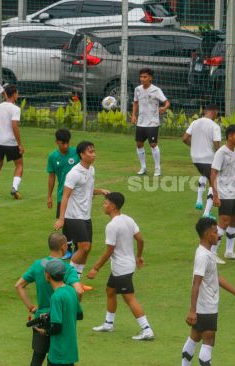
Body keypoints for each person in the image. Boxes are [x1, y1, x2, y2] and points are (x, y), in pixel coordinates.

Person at [180, 217, 235, 366]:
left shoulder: (207, 252)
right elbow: (196, 283)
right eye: (215, 231)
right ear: (206, 235)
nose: (218, 234)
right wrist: (192, 310)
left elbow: (216, 277)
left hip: (203, 306)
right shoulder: (203, 256)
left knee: (194, 337)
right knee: (208, 341)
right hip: (206, 306)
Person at [86, 192, 154, 341]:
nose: (103, 205)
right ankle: (108, 323)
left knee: (129, 298)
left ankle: (147, 329)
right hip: (124, 266)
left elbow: (109, 251)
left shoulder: (112, 226)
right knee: (110, 290)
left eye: (105, 203)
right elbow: (140, 240)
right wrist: (139, 256)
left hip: (121, 268)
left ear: (113, 206)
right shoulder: (128, 219)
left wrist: (95, 268)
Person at [15, 233, 83, 366]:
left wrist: (32, 308)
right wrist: (71, 307)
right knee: (60, 358)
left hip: (41, 318)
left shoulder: (38, 265)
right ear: (63, 247)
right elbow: (79, 290)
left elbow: (19, 286)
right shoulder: (66, 269)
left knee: (37, 358)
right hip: (61, 320)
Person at [54, 141, 109, 291]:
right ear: (81, 155)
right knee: (85, 246)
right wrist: (61, 218)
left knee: (86, 248)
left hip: (86, 216)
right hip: (73, 216)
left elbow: (88, 190)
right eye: (90, 152)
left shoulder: (91, 170)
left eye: (94, 151)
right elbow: (65, 196)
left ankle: (76, 281)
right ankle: (68, 277)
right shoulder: (74, 174)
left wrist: (101, 191)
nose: (94, 154)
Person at [210, 125, 235, 262]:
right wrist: (215, 195)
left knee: (234, 222)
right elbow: (213, 174)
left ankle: (229, 252)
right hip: (224, 193)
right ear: (229, 137)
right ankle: (213, 253)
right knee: (224, 222)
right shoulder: (221, 153)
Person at [33, 260, 82, 366]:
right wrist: (52, 315)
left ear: (47, 275)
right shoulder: (71, 290)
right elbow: (79, 314)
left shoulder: (56, 297)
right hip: (70, 351)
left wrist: (43, 331)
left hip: (58, 353)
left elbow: (56, 327)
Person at [183, 104, 221, 218]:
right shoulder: (214, 126)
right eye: (217, 113)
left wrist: (194, 146)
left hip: (195, 157)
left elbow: (185, 138)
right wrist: (220, 155)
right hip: (208, 158)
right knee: (213, 182)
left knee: (204, 174)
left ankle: (199, 201)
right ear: (213, 111)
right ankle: (206, 213)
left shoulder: (195, 122)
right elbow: (216, 144)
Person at [131, 68, 170, 177]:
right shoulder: (137, 89)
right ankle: (143, 167)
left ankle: (157, 169)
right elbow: (135, 103)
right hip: (141, 122)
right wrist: (134, 115)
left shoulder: (156, 90)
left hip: (153, 122)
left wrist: (164, 108)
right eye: (141, 77)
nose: (142, 79)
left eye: (145, 77)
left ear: (150, 78)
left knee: (153, 144)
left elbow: (167, 102)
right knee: (139, 144)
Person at [47, 129, 79, 259]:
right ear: (56, 142)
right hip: (62, 194)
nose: (65, 146)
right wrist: (49, 196)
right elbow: (51, 176)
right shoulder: (53, 157)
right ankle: (67, 249)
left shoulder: (76, 153)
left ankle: (77, 246)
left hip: (77, 195)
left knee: (77, 220)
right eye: (62, 144)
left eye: (67, 143)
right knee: (64, 222)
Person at [0, 84, 24, 199]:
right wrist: (19, 144)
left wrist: (0, 132)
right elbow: (15, 126)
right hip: (11, 142)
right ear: (14, 94)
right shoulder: (15, 109)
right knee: (19, 164)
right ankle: (14, 188)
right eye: (17, 93)